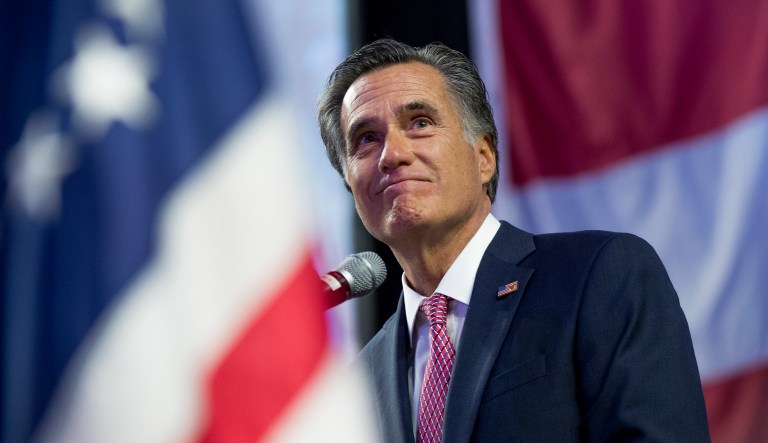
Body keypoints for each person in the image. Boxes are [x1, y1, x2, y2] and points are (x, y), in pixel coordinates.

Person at [317, 38, 710, 442]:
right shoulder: (358, 385)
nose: (391, 155)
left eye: (419, 123)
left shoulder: (598, 276)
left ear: (483, 157)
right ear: (351, 185)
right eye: (366, 138)